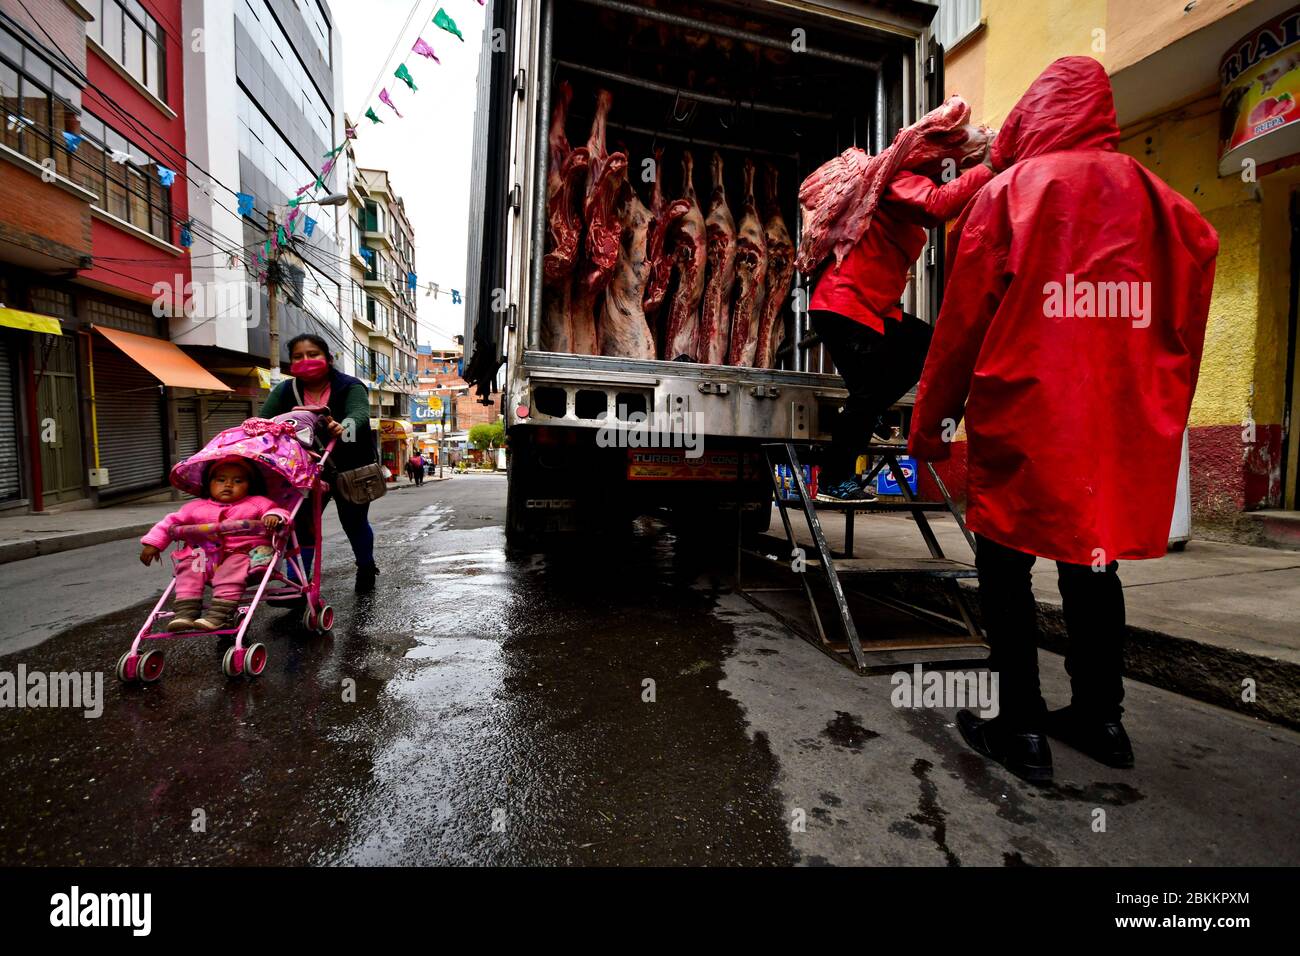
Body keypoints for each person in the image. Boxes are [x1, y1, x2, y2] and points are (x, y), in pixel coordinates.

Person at [909, 57, 1219, 783]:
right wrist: (1162, 398)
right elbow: (1193, 281)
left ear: (1038, 112)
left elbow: (960, 328)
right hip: (1113, 422)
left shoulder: (1009, 194)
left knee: (1006, 566)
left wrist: (930, 423)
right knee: (1092, 559)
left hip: (1027, 414)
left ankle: (1019, 729)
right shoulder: (1165, 203)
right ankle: (1101, 718)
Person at [808, 116, 994, 502]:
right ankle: (833, 478)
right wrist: (991, 168)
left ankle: (872, 413)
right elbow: (937, 206)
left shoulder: (911, 183)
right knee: (866, 390)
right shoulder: (897, 180)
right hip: (844, 305)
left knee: (929, 345)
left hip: (872, 309)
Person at [259, 333, 382, 593]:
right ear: (290, 362)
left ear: (327, 358)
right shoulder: (284, 390)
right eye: (298, 356)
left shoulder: (349, 385)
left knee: (354, 521)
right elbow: (265, 422)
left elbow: (359, 414)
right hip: (303, 470)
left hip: (350, 467)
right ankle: (297, 584)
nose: (306, 360)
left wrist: (343, 426)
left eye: (313, 354)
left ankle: (366, 566)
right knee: (301, 525)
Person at [139, 458, 289, 632]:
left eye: (238, 481)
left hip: (244, 555)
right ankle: (185, 612)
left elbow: (277, 510)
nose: (228, 485)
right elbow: (169, 523)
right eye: (221, 480)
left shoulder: (257, 503)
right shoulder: (195, 507)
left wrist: (274, 516)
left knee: (232, 566)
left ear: (250, 485)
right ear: (209, 484)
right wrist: (153, 544)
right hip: (205, 556)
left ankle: (220, 614)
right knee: (189, 566)